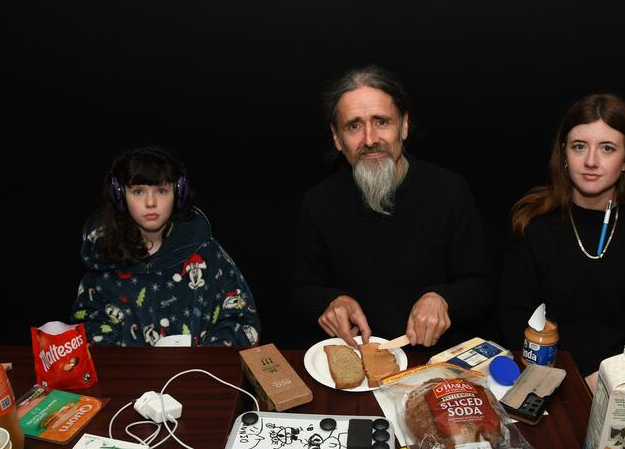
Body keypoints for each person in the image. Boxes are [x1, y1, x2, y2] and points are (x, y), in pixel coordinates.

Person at [497, 93, 625, 449]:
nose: (591, 161)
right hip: (550, 372)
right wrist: (564, 380)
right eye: (580, 146)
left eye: (608, 148)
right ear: (563, 154)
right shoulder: (532, 223)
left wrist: (611, 376)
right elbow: (513, 317)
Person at [293, 65, 493, 349]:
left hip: (431, 361)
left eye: (382, 122)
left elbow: (480, 286)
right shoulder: (318, 203)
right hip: (355, 357)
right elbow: (303, 289)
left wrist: (443, 298)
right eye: (354, 126)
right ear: (337, 138)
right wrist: (330, 301)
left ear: (404, 126)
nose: (370, 139)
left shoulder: (450, 191)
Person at [70, 146, 260, 346]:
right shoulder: (104, 259)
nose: (150, 202)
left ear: (178, 193)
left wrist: (206, 360)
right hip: (130, 376)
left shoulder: (207, 254)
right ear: (119, 196)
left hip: (198, 374)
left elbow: (241, 318)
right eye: (138, 191)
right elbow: (88, 324)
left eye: (161, 190)